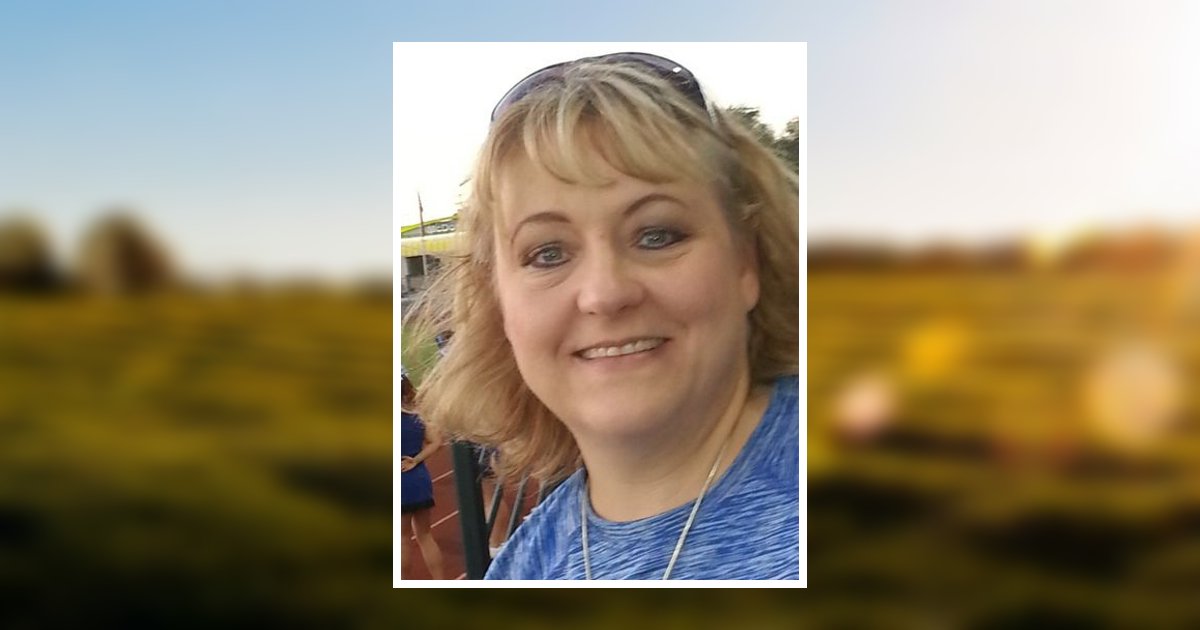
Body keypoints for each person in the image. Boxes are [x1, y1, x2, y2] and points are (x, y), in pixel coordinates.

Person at [406, 51, 799, 579]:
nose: (605, 294)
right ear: (497, 299)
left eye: (656, 235)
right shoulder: (523, 568)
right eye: (548, 253)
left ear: (745, 262)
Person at [399, 371, 446, 579]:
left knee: (402, 539)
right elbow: (437, 441)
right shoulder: (416, 418)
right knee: (425, 535)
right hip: (419, 479)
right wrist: (416, 459)